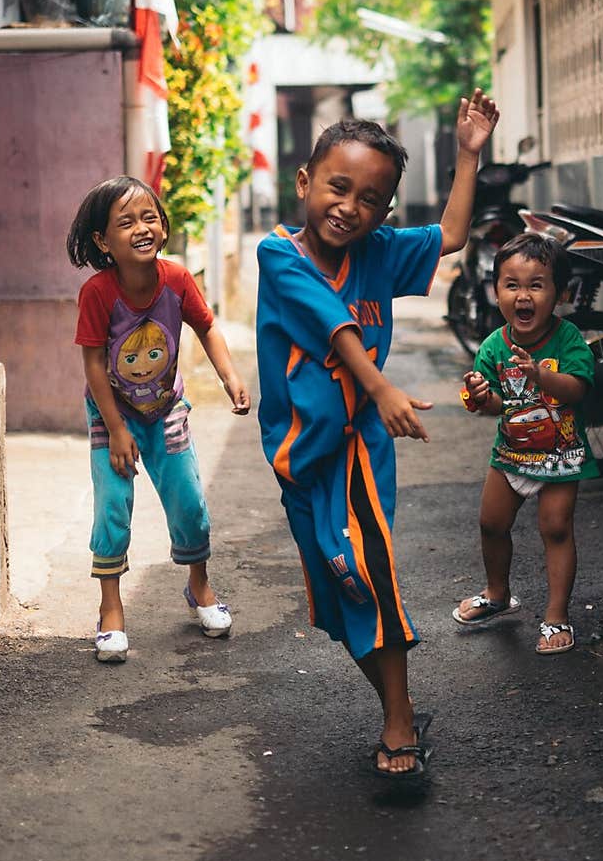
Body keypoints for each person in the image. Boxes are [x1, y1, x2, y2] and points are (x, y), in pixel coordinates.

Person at [256, 89, 499, 777]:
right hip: (297, 459)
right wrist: (380, 383)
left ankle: (398, 727)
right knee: (338, 596)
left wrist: (467, 155)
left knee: (366, 577)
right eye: (338, 187)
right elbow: (333, 320)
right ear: (304, 182)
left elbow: (449, 234)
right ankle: (400, 704)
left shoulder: (381, 250)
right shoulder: (278, 255)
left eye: (370, 199)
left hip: (359, 452)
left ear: (384, 211)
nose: (350, 207)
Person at [67, 175, 251, 663]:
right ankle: (110, 611)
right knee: (112, 507)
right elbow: (92, 363)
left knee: (189, 503)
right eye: (125, 223)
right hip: (112, 412)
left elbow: (207, 327)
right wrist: (118, 429)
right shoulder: (98, 294)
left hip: (166, 406)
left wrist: (230, 376)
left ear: (163, 227)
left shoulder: (176, 279)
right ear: (104, 242)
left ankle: (200, 589)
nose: (141, 228)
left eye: (149, 217)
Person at [454, 232, 599, 654]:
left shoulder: (569, 338)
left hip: (560, 456)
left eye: (536, 284)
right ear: (496, 290)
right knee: (491, 524)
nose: (523, 295)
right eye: (511, 284)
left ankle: (556, 617)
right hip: (511, 455)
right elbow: (497, 403)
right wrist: (480, 396)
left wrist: (540, 376)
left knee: (555, 529)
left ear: (559, 293)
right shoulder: (494, 346)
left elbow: (576, 389)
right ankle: (497, 593)